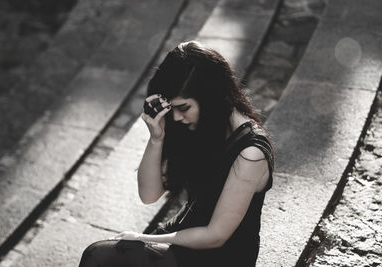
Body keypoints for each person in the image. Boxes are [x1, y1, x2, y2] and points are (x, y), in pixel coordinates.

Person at [78, 41, 275, 267]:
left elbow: (216, 236)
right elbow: (149, 194)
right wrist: (156, 138)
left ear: (211, 96)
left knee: (100, 256)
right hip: (184, 237)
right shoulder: (201, 127)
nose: (177, 117)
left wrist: (143, 238)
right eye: (172, 109)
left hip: (219, 256)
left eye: (183, 108)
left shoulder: (251, 153)